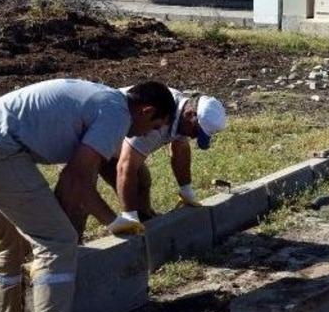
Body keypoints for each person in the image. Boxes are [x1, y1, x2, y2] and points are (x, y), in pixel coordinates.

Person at [0, 79, 176, 312]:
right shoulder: (117, 113)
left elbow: (78, 178)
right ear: (146, 111)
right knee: (57, 240)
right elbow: (76, 179)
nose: (149, 134)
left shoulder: (104, 99)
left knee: (12, 242)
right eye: (155, 126)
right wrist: (113, 221)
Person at [69, 88, 227, 236]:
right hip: (85, 137)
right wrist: (129, 216)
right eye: (195, 131)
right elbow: (126, 168)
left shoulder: (180, 114)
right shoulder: (153, 120)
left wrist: (186, 190)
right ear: (189, 115)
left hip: (113, 143)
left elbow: (180, 149)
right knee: (80, 196)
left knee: (142, 182)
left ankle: (146, 227)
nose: (194, 137)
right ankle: (72, 246)